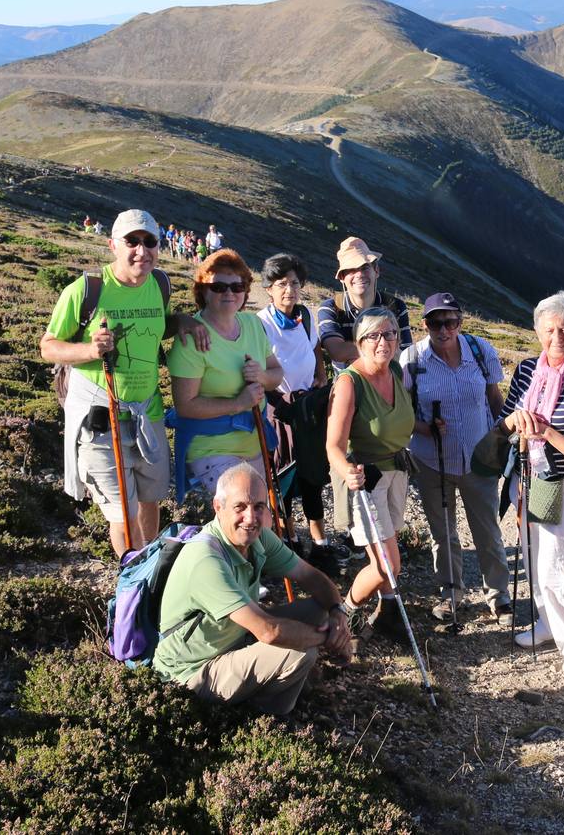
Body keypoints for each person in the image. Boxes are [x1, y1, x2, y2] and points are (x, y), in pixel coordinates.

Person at [41, 209, 207, 558]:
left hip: (148, 412)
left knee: (150, 499)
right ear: (113, 244)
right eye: (132, 241)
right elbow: (48, 346)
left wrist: (184, 321)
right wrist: (90, 348)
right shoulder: (86, 290)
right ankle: (135, 575)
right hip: (101, 419)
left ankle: (154, 565)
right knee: (123, 513)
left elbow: (159, 325)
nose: (141, 251)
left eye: (150, 242)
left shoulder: (159, 284)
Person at [153, 464, 353, 715]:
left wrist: (338, 613)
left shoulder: (258, 537)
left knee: (319, 611)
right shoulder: (206, 560)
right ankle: (267, 718)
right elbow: (268, 631)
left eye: (259, 506)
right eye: (240, 507)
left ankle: (271, 690)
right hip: (191, 673)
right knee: (301, 654)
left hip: (233, 641)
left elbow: (310, 576)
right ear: (218, 507)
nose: (251, 518)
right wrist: (331, 639)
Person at [499, 291, 564, 675]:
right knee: (533, 559)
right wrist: (515, 423)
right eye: (549, 329)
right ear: (536, 330)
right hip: (528, 479)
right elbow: (505, 418)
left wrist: (548, 433)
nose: (557, 336)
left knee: (558, 570)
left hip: (563, 484)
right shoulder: (527, 370)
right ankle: (548, 625)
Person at [399, 292, 512, 622]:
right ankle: (451, 593)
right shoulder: (412, 360)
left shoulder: (480, 351)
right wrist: (423, 429)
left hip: (479, 456)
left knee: (487, 528)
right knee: (442, 531)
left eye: (450, 322)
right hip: (431, 459)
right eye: (436, 323)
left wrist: (504, 437)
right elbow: (401, 411)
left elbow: (494, 397)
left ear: (460, 323)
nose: (443, 330)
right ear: (425, 325)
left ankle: (499, 595)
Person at [326, 307, 415, 644]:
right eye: (374, 335)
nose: (384, 342)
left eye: (390, 333)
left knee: (388, 551)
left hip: (396, 472)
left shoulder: (394, 371)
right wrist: (346, 472)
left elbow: (396, 421)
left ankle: (387, 612)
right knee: (388, 564)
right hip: (365, 478)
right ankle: (343, 613)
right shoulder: (350, 383)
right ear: (359, 342)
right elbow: (333, 445)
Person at [167, 249, 283, 500]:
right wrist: (238, 403)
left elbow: (277, 373)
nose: (229, 293)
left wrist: (262, 376)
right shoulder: (191, 337)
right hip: (212, 448)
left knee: (260, 520)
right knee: (244, 514)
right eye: (218, 286)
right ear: (203, 291)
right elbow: (185, 406)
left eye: (237, 286)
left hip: (254, 444)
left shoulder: (252, 324)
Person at [256, 253, 339, 558]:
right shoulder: (261, 324)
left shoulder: (304, 316)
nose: (289, 289)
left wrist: (320, 373)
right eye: (281, 284)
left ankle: (320, 544)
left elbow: (316, 345)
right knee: (284, 478)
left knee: (313, 475)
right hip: (279, 409)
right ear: (269, 288)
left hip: (308, 407)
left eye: (293, 283)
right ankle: (288, 540)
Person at [316, 236, 412, 372]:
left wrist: (352, 353)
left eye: (365, 267)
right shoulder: (331, 308)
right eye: (351, 270)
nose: (359, 274)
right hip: (349, 388)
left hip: (390, 386)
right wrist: (386, 349)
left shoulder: (396, 306)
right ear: (342, 277)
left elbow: (406, 356)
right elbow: (336, 352)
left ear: (376, 271)